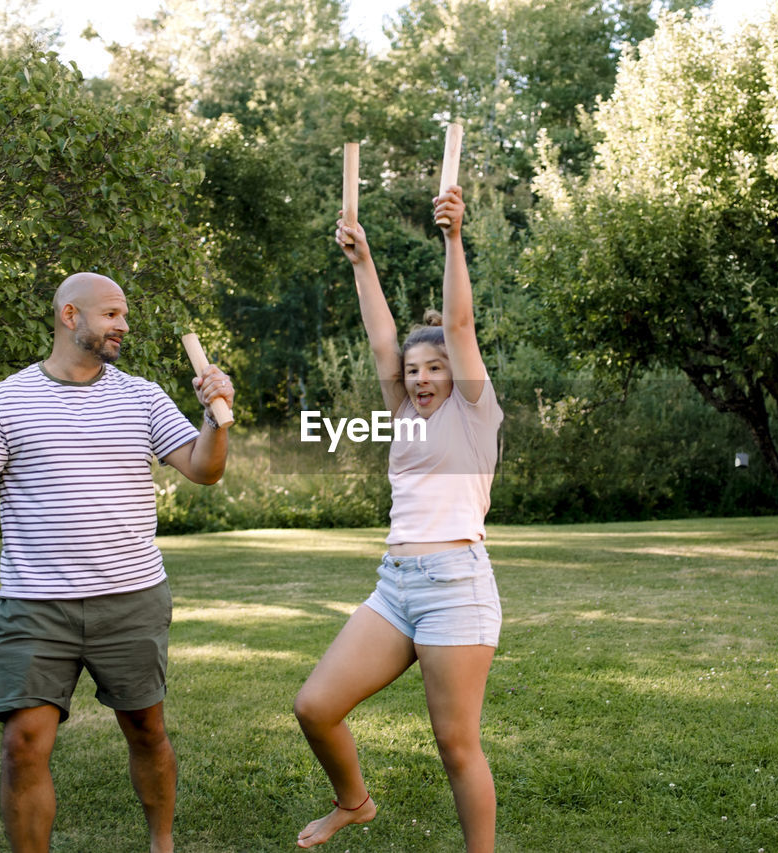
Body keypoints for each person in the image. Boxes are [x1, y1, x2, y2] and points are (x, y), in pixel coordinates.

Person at [0, 272, 234, 853]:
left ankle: (162, 844)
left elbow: (205, 469)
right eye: (111, 314)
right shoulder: (5, 400)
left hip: (131, 598)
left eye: (124, 315)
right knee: (23, 743)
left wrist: (211, 415)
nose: (123, 326)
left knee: (147, 731)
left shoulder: (142, 396)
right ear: (70, 316)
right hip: (34, 603)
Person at [292, 186, 504, 851]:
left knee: (455, 744)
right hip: (396, 586)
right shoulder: (405, 416)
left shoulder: (476, 414)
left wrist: (452, 237)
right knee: (315, 706)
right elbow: (380, 335)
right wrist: (362, 261)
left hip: (456, 588)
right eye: (413, 370)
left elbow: (462, 328)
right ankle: (353, 802)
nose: (420, 378)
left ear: (458, 374)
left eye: (435, 367)